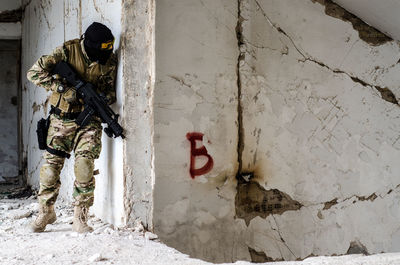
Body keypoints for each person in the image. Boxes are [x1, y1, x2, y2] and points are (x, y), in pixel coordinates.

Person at [27, 22, 117, 233]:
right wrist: (60, 87)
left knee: (85, 165)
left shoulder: (109, 60)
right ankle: (46, 211)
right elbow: (34, 73)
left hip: (89, 121)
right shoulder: (67, 51)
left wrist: (103, 99)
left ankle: (81, 215)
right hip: (61, 119)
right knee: (50, 169)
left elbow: (110, 91)